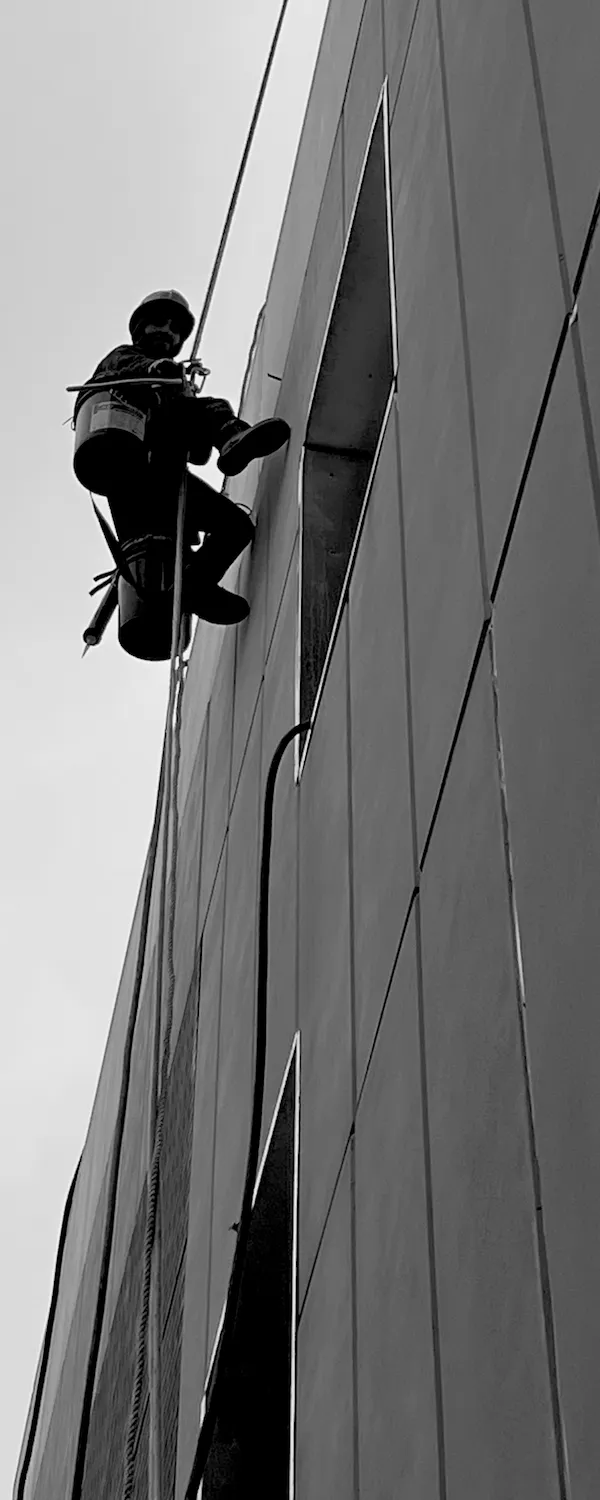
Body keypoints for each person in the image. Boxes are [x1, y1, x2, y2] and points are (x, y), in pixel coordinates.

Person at [75, 289, 290, 624]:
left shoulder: (171, 386)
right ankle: (231, 434)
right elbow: (128, 369)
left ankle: (195, 584)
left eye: (175, 329)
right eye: (160, 324)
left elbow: (197, 454)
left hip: (163, 478)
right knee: (200, 409)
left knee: (235, 526)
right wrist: (160, 373)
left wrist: (179, 393)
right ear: (142, 327)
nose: (168, 333)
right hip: (131, 466)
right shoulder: (126, 361)